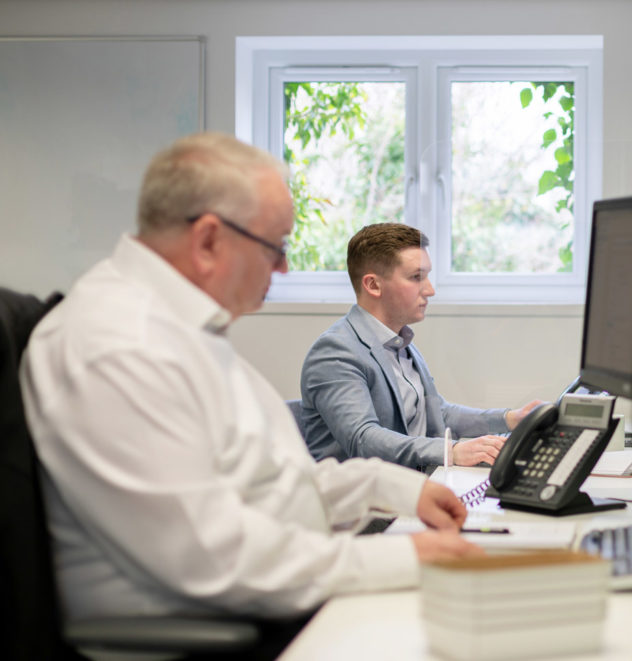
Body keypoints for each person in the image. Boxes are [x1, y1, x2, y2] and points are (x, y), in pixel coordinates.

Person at [19, 133, 481, 631]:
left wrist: (395, 487)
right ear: (209, 241)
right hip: (215, 632)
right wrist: (409, 557)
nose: (282, 267)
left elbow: (275, 483)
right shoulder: (119, 347)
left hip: (275, 588)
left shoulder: (183, 329)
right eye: (274, 246)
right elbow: (214, 559)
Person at [300, 223, 542, 470]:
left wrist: (509, 419)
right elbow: (363, 438)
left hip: (410, 487)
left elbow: (437, 412)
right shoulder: (335, 352)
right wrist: (451, 451)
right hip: (366, 502)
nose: (430, 290)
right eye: (417, 277)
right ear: (373, 285)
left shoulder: (400, 344)